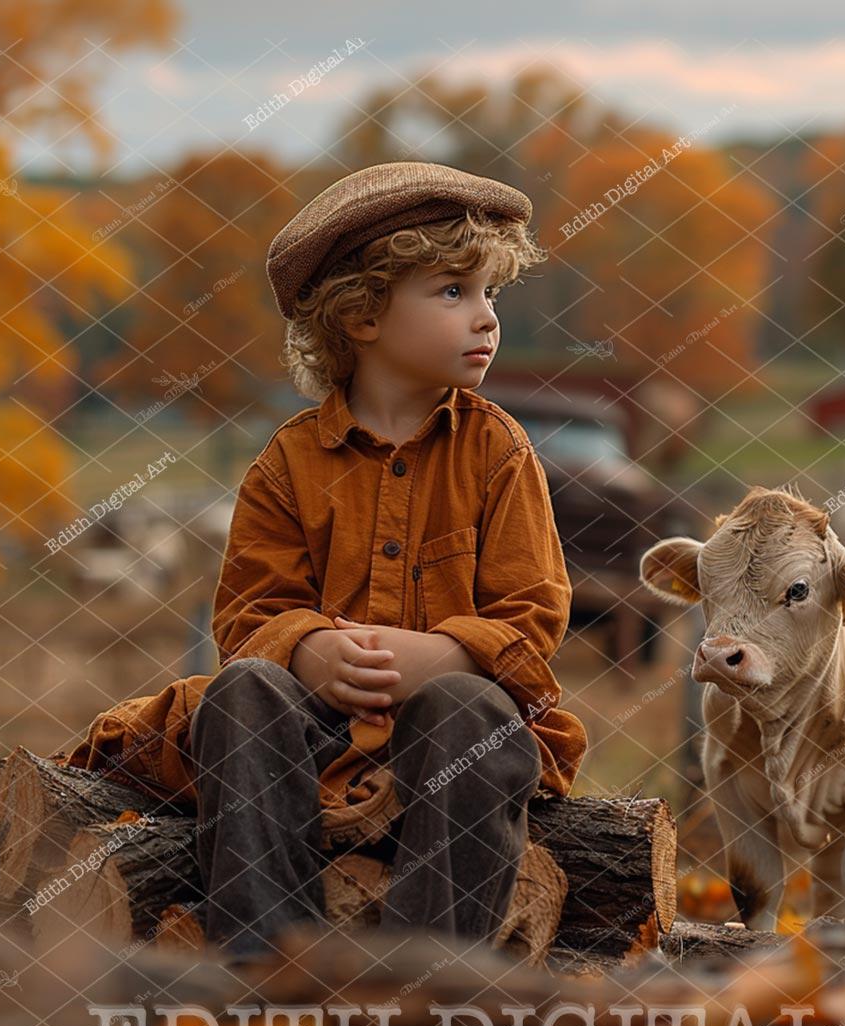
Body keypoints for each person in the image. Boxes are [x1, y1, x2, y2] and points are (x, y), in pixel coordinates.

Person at [186, 162, 587, 960]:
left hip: (460, 743)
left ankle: (423, 988)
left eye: (491, 295)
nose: (486, 319)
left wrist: (442, 657)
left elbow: (534, 611)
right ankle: (271, 969)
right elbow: (246, 612)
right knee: (242, 691)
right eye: (453, 292)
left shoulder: (497, 451)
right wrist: (307, 648)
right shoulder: (287, 463)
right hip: (323, 736)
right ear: (363, 314)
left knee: (464, 708)